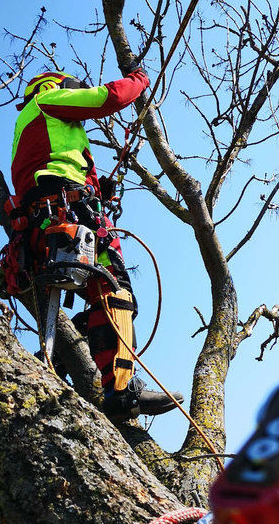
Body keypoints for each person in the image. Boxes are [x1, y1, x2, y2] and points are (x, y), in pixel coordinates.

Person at [11, 67, 183, 420]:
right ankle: (122, 391)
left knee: (95, 286)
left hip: (45, 217)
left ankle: (65, 351)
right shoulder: (48, 100)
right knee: (113, 285)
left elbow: (51, 166)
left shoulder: (32, 129)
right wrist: (138, 79)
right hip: (68, 210)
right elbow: (108, 98)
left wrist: (95, 189)